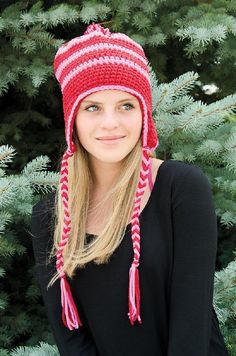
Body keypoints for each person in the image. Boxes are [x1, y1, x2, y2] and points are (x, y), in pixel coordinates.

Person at [31, 23, 229, 356]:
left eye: (126, 105)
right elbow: (71, 336)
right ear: (72, 121)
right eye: (92, 107)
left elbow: (191, 326)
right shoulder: (50, 214)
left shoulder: (179, 188)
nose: (111, 123)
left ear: (144, 114)